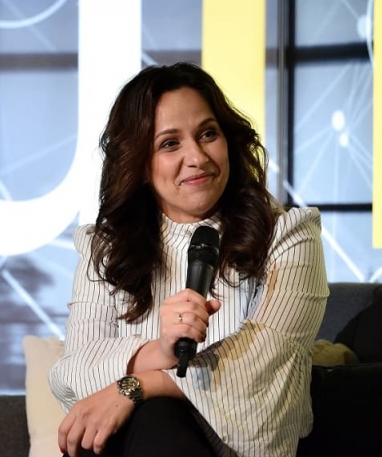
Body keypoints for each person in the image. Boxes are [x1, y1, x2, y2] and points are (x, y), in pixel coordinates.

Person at [48, 62, 329, 457]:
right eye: (169, 144)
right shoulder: (107, 249)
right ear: (140, 166)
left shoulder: (288, 236)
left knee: (153, 412)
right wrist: (159, 352)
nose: (197, 156)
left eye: (208, 134)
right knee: (142, 421)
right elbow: (72, 372)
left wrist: (139, 386)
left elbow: (262, 368)